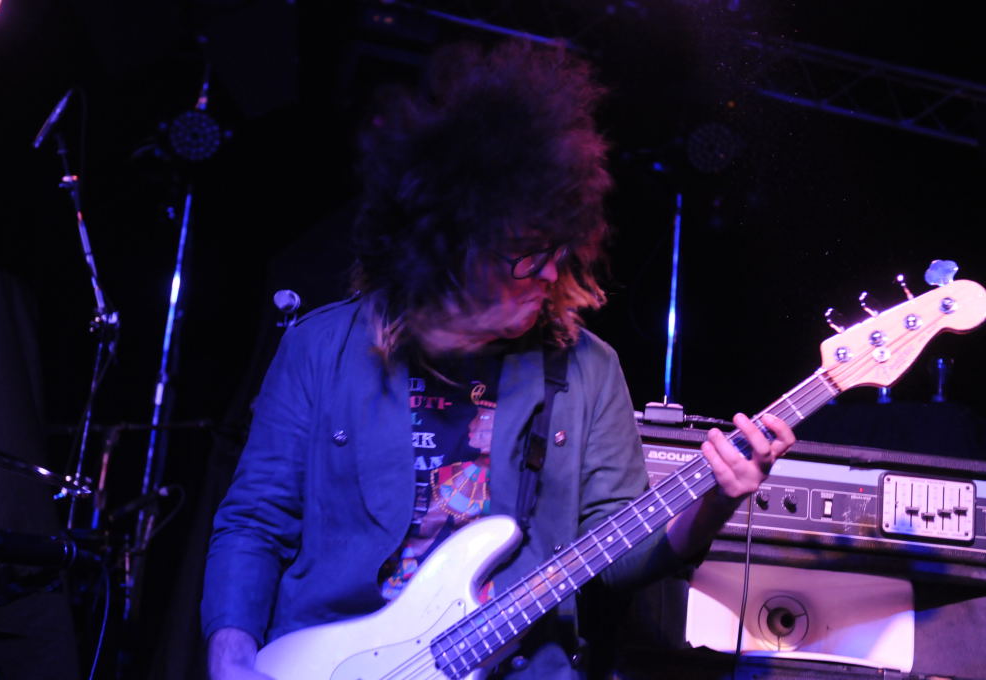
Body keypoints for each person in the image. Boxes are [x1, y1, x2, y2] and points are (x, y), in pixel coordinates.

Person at [201, 40, 795, 680]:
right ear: (448, 249)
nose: (550, 273)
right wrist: (231, 658)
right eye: (524, 255)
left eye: (557, 250)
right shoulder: (321, 349)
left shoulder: (587, 371)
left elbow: (621, 557)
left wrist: (714, 503)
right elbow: (255, 523)